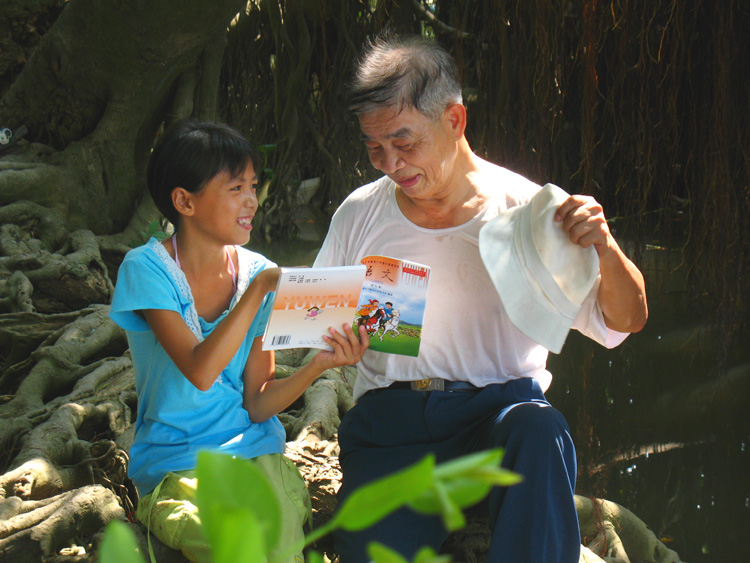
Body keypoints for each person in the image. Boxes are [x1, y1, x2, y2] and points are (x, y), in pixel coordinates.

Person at [313, 35, 647, 563]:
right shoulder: (361, 214)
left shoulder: (527, 211)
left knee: (539, 426)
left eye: (404, 142)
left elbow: (624, 322)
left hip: (496, 422)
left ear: (454, 120)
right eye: (374, 147)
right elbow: (316, 323)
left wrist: (605, 248)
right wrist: (332, 342)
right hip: (391, 427)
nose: (390, 163)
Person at [110, 119, 369, 563]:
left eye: (252, 185)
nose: (251, 200)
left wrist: (317, 365)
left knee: (279, 545)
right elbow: (200, 370)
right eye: (235, 188)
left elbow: (257, 401)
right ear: (184, 202)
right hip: (177, 463)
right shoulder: (146, 269)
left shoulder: (257, 272)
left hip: (254, 453)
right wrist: (260, 289)